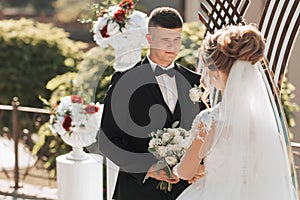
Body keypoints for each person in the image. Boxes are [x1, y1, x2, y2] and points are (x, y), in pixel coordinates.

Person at [172, 24, 298, 200]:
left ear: (215, 72)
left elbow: (186, 172)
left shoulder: (210, 120)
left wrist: (177, 168)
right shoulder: (265, 123)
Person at [99, 7, 206, 200]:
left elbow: (208, 134)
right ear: (149, 39)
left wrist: (200, 166)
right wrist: (148, 168)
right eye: (165, 40)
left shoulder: (196, 82)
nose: (172, 46)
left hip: (188, 192)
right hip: (137, 192)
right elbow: (107, 140)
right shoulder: (124, 81)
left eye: (177, 39)